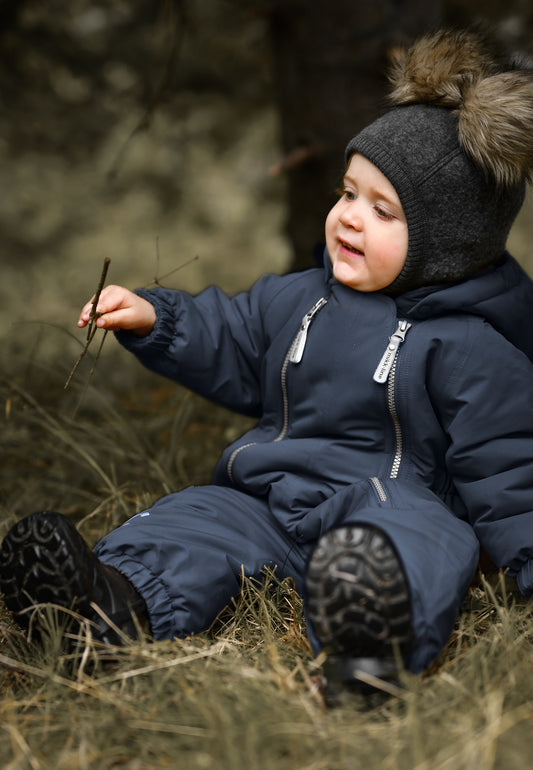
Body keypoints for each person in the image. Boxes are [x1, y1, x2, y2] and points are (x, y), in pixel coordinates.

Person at [2, 28, 533, 698]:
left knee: (421, 541)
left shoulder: (470, 346)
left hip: (386, 504)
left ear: (446, 246)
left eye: (381, 210)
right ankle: (104, 606)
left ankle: (371, 638)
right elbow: (231, 333)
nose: (347, 219)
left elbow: (508, 464)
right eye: (345, 194)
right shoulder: (301, 298)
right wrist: (157, 317)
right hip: (268, 499)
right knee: (195, 518)